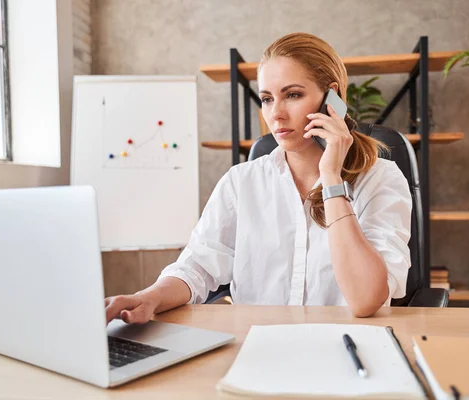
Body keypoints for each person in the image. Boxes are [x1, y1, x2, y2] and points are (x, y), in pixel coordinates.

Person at [105, 32, 412, 322]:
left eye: (292, 95)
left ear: (332, 99)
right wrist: (150, 297)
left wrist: (331, 178)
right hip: (255, 348)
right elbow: (197, 266)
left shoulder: (380, 179)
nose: (275, 114)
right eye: (266, 99)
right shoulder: (241, 182)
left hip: (347, 348)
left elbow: (365, 300)